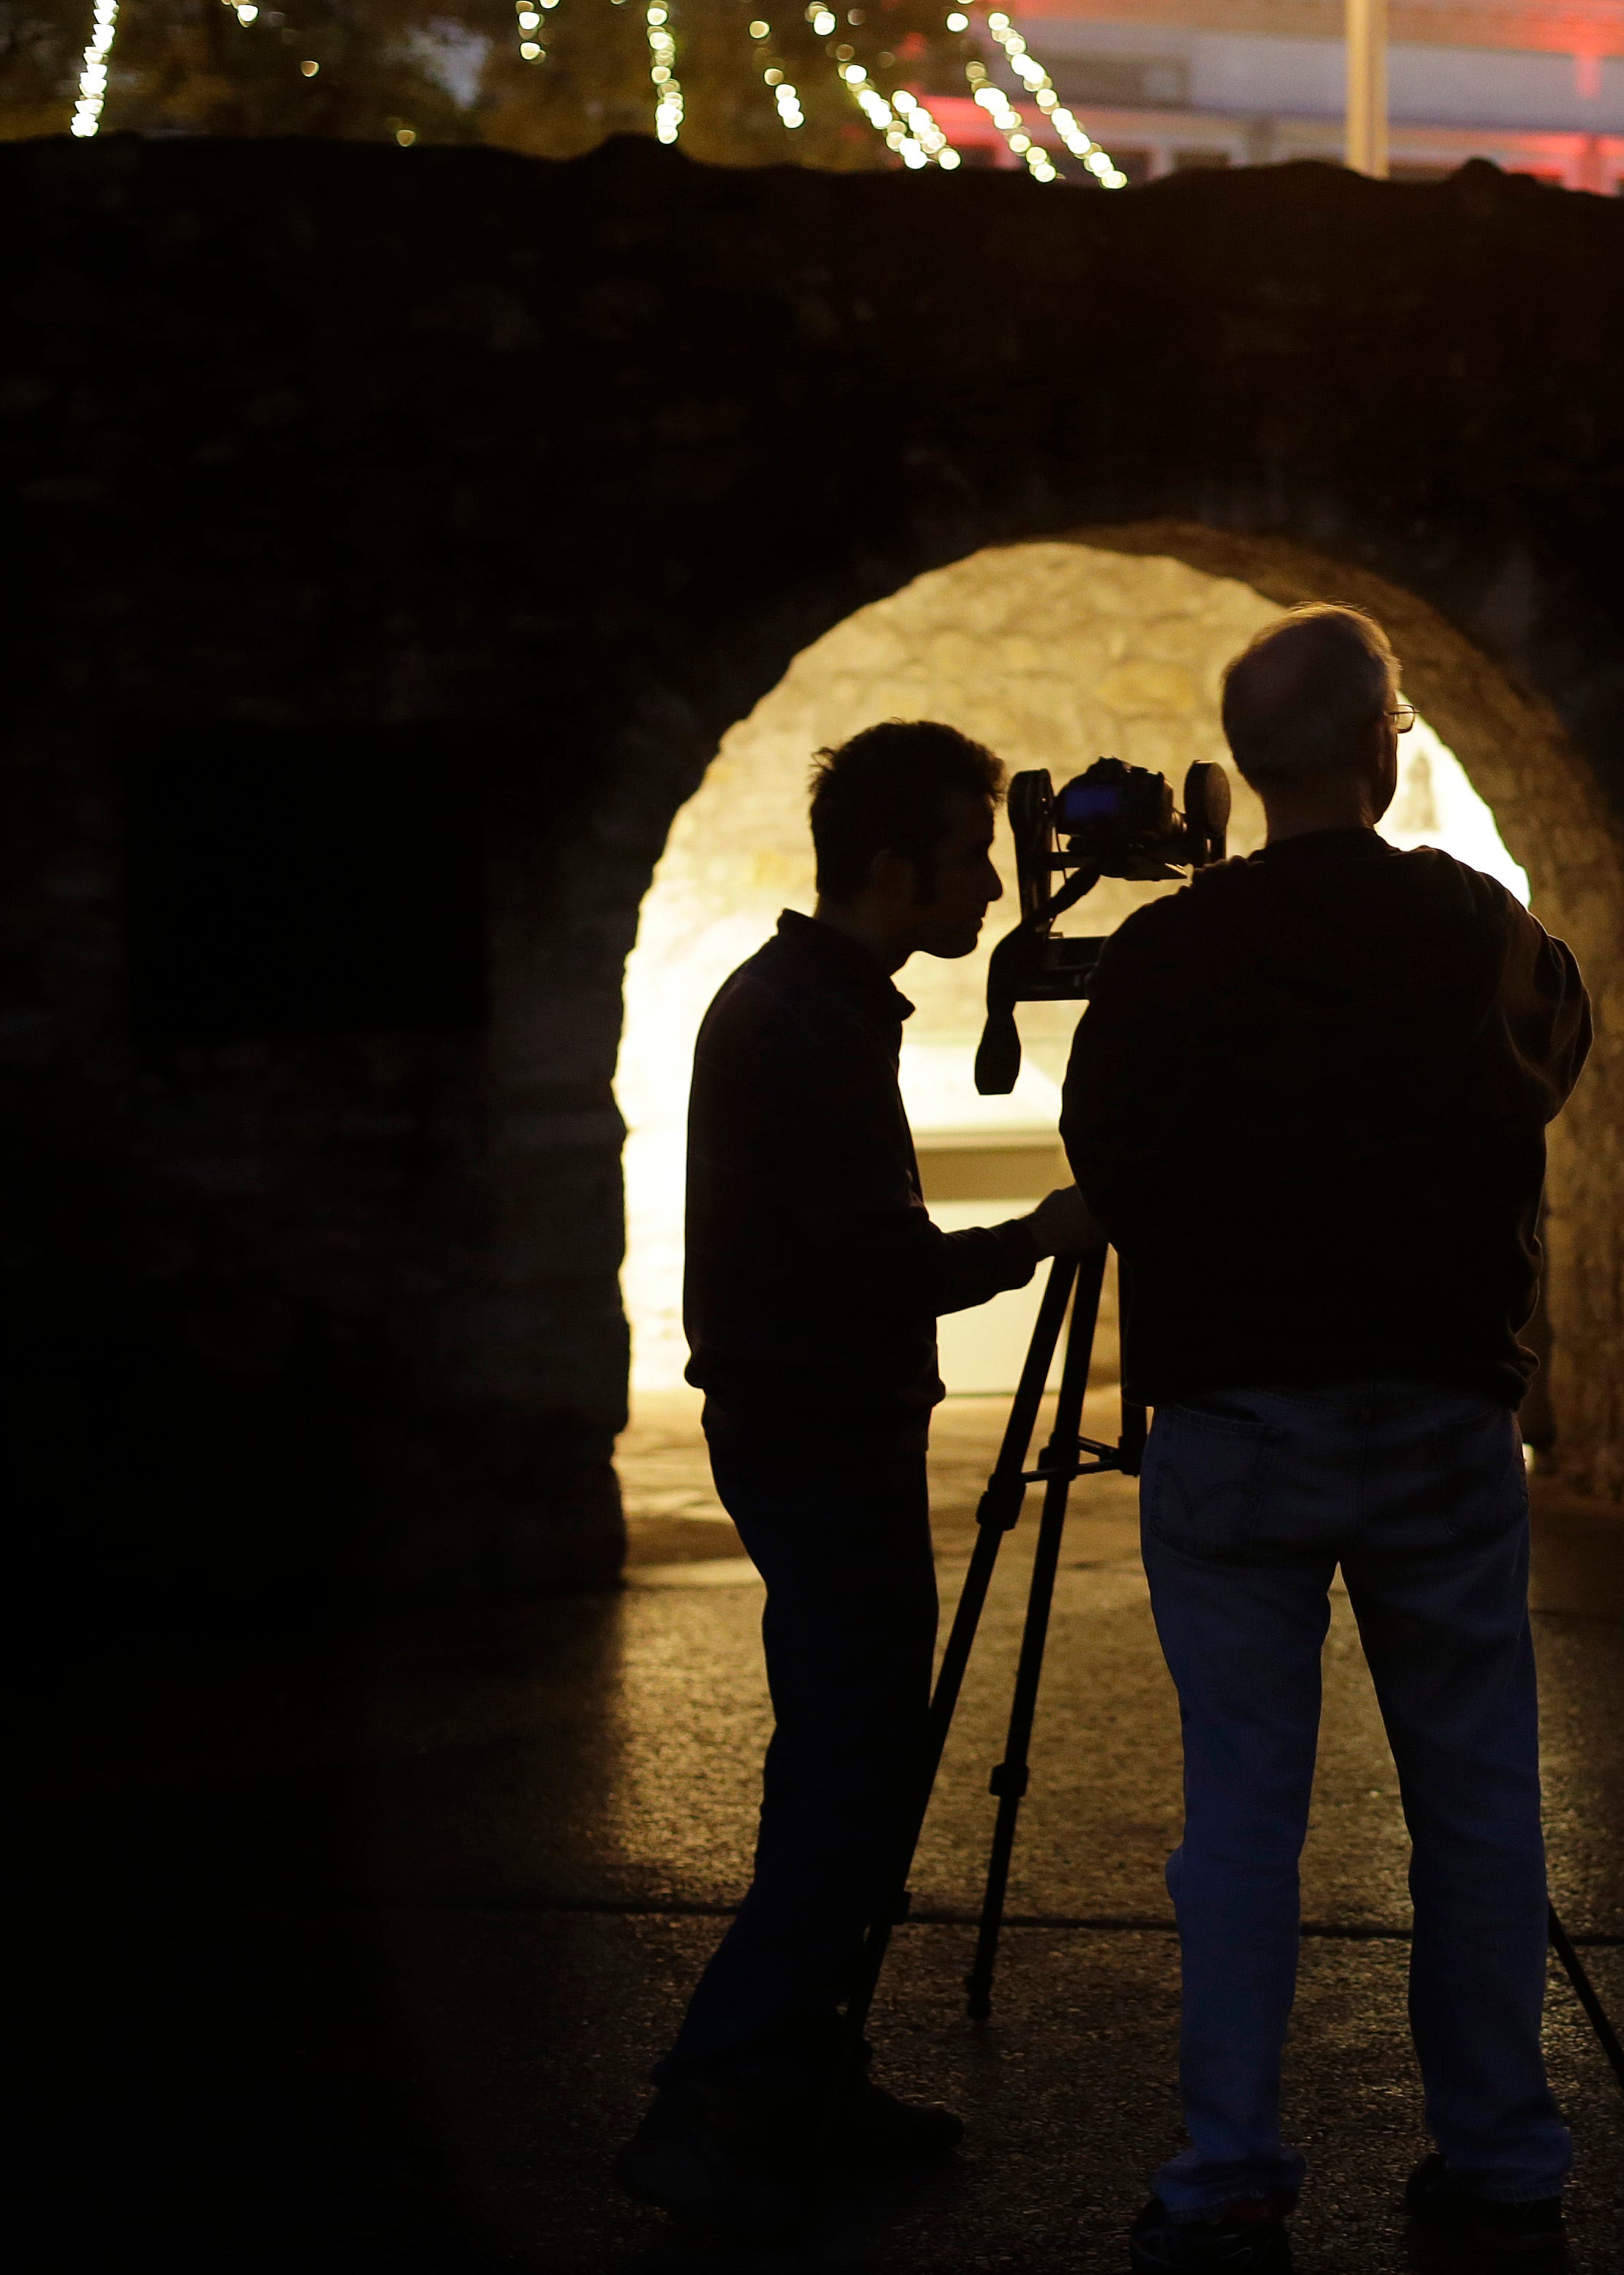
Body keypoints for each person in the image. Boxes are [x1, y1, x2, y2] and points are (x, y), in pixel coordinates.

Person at [1064, 608, 1595, 2271]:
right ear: (1385, 750)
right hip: (1440, 1405)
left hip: (1233, 1414)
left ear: (1244, 772)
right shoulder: (1489, 932)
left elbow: (1109, 1155)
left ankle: (1226, 2165)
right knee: (1477, 1795)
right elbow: (1549, 1067)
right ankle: (1503, 2151)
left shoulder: (1167, 954)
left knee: (1238, 1808)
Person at [615, 720, 1106, 2241]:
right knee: (852, 1777)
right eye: (966, 858)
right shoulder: (804, 1023)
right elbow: (870, 1261)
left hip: (811, 1427)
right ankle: (711, 2099)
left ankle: (810, 2075)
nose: (985, 887)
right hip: (820, 1434)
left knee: (843, 1761)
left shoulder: (807, 1002)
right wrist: (1044, 1235)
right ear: (891, 866)